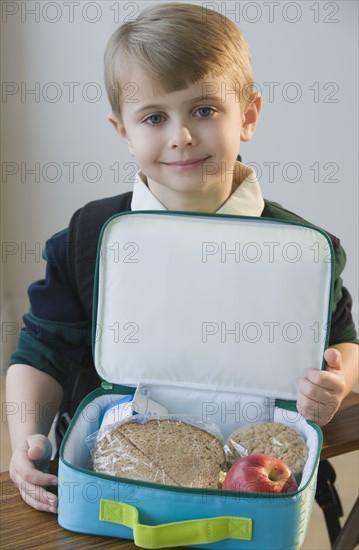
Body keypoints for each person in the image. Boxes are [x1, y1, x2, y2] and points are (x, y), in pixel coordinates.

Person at [6, 2, 358, 515]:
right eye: (154, 117)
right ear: (124, 132)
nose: (181, 136)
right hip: (109, 476)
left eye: (204, 109)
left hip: (253, 481)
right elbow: (41, 351)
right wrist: (27, 438)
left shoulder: (301, 247)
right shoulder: (88, 238)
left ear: (249, 116)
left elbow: (343, 340)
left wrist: (337, 382)